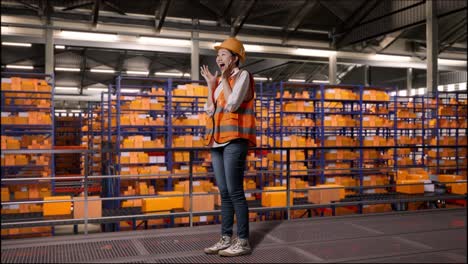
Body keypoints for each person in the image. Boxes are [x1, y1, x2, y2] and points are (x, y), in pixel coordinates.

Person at [200, 37, 256, 257]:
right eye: (218, 54)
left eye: (223, 54)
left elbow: (232, 104)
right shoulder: (221, 82)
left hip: (234, 140)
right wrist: (211, 85)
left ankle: (242, 241)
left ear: (234, 58)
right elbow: (209, 111)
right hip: (217, 141)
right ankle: (225, 238)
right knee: (224, 192)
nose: (218, 58)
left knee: (235, 192)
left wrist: (222, 80)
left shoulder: (243, 76)